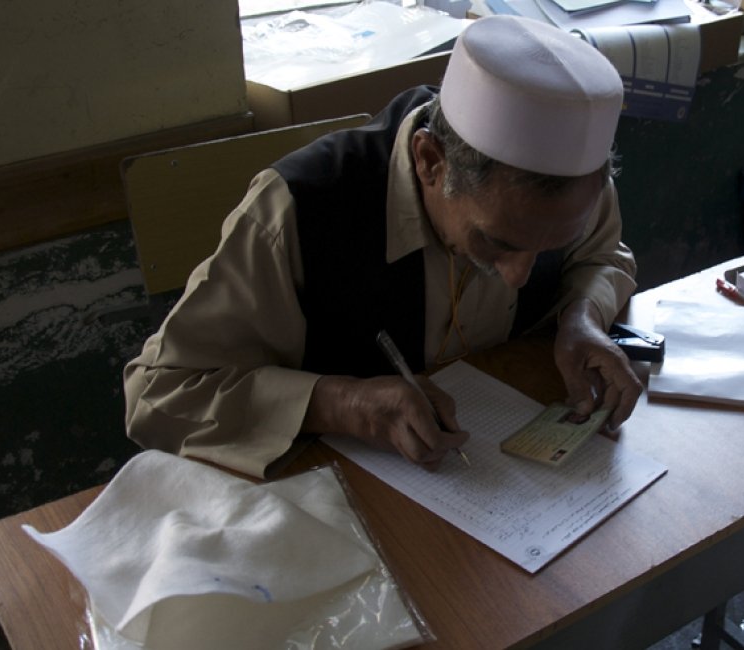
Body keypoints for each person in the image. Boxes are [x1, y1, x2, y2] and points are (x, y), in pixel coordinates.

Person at [123, 15, 643, 479]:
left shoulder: (570, 187)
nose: (519, 276)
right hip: (347, 494)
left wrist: (582, 317)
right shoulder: (299, 211)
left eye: (552, 244)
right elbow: (159, 394)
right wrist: (342, 403)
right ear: (430, 161)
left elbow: (602, 256)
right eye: (497, 242)